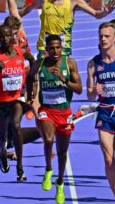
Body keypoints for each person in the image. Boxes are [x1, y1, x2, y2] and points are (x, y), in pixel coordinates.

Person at [27, 34, 82, 204]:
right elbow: (29, 77)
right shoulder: (40, 64)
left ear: (62, 47)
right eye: (52, 48)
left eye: (58, 47)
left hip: (64, 113)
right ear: (47, 49)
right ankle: (48, 169)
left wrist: (64, 80)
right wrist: (31, 94)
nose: (55, 51)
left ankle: (59, 182)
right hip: (47, 111)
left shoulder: (69, 63)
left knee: (62, 152)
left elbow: (79, 89)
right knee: (49, 139)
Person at [87, 22, 115, 204]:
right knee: (108, 159)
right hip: (105, 114)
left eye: (107, 36)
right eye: (101, 36)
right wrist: (94, 91)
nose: (103, 39)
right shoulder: (93, 64)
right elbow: (89, 95)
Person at [0, 24, 34, 181]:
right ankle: (3, 153)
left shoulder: (20, 52)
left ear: (13, 37)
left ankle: (20, 168)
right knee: (2, 136)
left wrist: (31, 81)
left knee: (17, 126)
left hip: (16, 100)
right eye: (2, 37)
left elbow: (33, 60)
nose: (5, 39)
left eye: (8, 36)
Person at [18, 0, 115, 58]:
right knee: (43, 76)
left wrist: (105, 12)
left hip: (63, 44)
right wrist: (12, 19)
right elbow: (24, 11)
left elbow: (96, 14)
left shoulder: (73, 0)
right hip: (44, 43)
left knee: (62, 75)